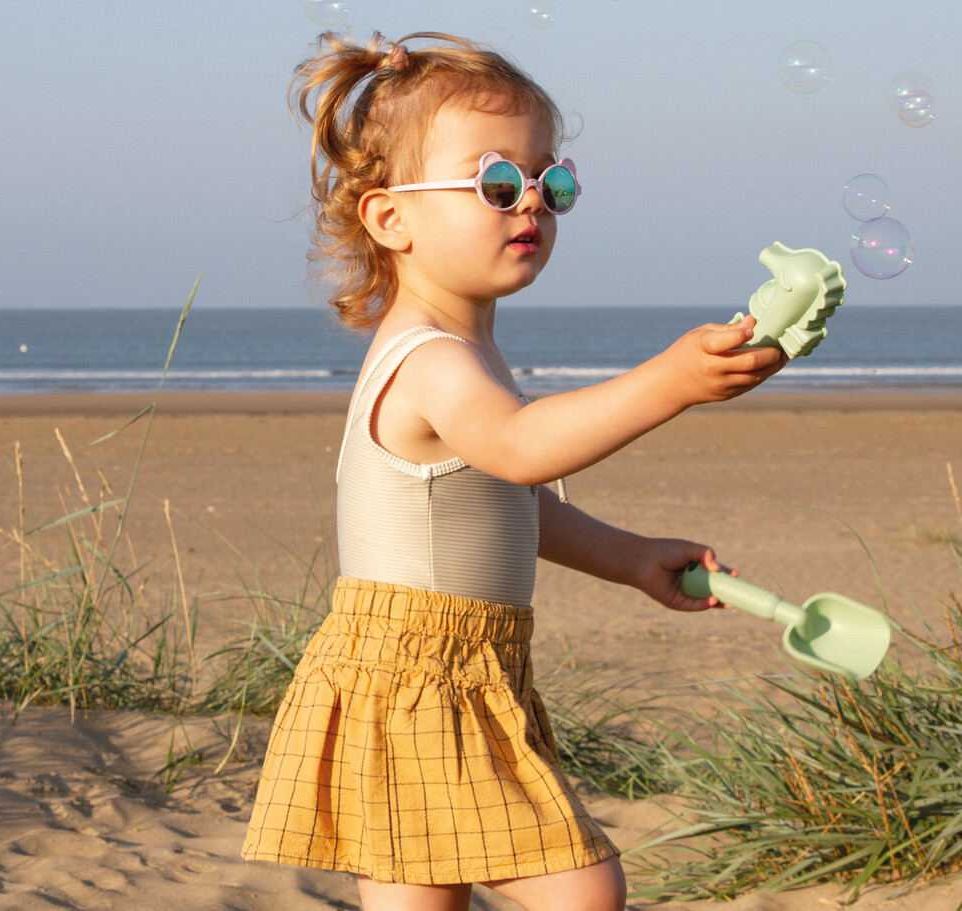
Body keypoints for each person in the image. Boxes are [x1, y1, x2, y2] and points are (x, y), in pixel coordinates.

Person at [239, 31, 789, 911]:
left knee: (425, 896)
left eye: (551, 183)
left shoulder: (470, 346)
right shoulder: (430, 359)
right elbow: (523, 446)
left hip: (460, 667)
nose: (530, 203)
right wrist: (671, 382)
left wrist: (628, 556)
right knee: (582, 887)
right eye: (497, 184)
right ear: (392, 219)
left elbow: (509, 493)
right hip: (414, 671)